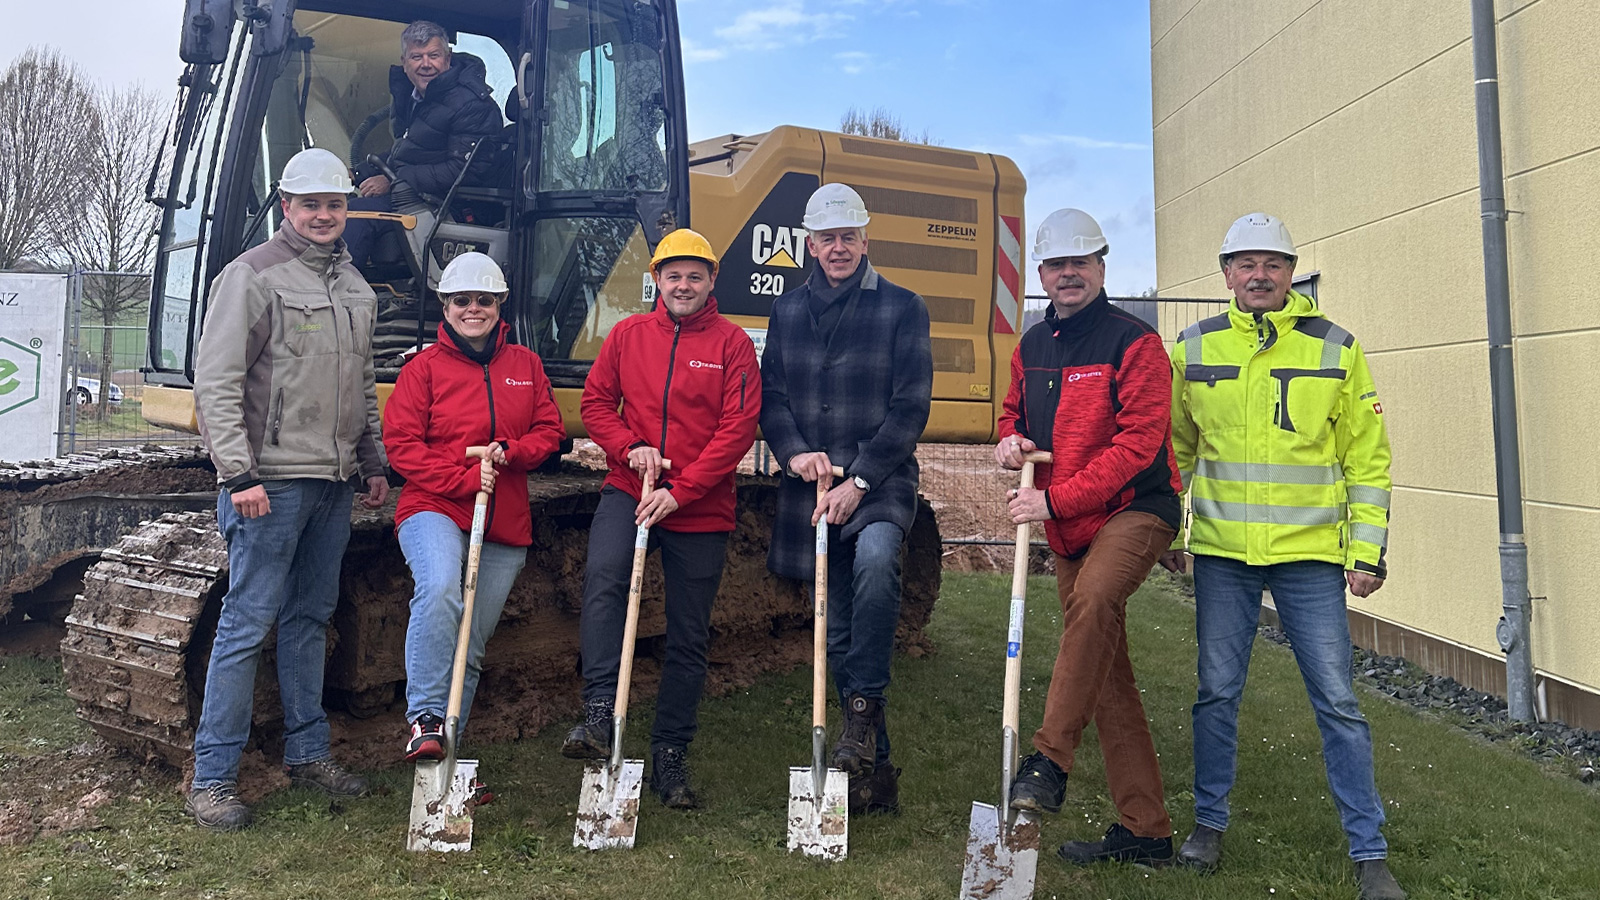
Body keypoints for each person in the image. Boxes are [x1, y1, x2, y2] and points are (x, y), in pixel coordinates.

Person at [1163, 213, 1403, 900]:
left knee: (1337, 699)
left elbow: (1368, 459)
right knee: (1215, 694)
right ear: (1226, 274)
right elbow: (1173, 451)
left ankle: (1371, 853)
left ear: (1292, 271)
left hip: (1310, 559)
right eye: (1246, 264)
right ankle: (1207, 828)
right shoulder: (1193, 347)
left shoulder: (1337, 348)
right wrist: (1174, 534)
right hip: (1222, 556)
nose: (1260, 275)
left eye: (1273, 263)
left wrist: (1368, 552)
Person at [188, 148, 389, 831]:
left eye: (334, 204)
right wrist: (237, 474)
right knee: (246, 625)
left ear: (345, 210)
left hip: (333, 484)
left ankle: (309, 755)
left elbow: (360, 386)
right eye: (311, 205)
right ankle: (212, 778)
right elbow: (215, 382)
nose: (324, 215)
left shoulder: (357, 288)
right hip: (268, 485)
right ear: (287, 208)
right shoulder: (251, 276)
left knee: (308, 621)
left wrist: (372, 461)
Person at [996, 208, 1183, 866]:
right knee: (1105, 675)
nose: (1068, 274)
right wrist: (1008, 439)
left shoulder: (1135, 344)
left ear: (1102, 268)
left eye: (1081, 262)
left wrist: (1053, 499)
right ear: (1042, 275)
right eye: (1056, 264)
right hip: (1068, 522)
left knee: (1096, 601)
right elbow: (1013, 413)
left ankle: (1047, 761)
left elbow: (1138, 448)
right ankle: (1147, 830)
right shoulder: (1032, 346)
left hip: (1137, 508)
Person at [561, 229, 760, 809]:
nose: (683, 285)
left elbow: (737, 430)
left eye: (694, 275)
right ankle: (599, 717)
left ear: (711, 281)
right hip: (630, 487)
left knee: (688, 634)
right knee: (603, 579)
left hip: (700, 505)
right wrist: (629, 447)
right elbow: (597, 403)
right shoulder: (627, 335)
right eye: (673, 275)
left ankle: (670, 758)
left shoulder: (732, 345)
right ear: (657, 279)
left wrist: (683, 491)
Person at [759, 183, 932, 816]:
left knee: (878, 562)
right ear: (810, 244)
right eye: (827, 238)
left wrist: (859, 479)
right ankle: (874, 764)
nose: (838, 248)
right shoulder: (787, 312)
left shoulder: (903, 307)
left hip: (878, 483)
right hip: (812, 489)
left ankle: (858, 717)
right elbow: (771, 398)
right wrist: (793, 452)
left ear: (865, 240)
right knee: (834, 635)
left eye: (848, 237)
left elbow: (911, 406)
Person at [382, 252, 565, 765]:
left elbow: (549, 431)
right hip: (433, 505)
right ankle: (425, 718)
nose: (473, 309)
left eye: (484, 300)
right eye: (461, 300)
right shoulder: (423, 370)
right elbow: (402, 445)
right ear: (445, 305)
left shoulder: (526, 366)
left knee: (473, 641)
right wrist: (464, 478)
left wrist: (512, 450)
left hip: (503, 517)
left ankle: (448, 750)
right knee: (441, 589)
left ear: (500, 303)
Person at [343, 20, 503, 268]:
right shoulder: (419, 99)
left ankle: (341, 295)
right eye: (417, 56)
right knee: (332, 207)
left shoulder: (472, 105)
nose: (426, 64)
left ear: (447, 59)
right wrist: (356, 173)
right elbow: (409, 152)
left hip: (451, 206)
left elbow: (467, 170)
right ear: (404, 62)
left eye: (434, 55)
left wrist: (394, 181)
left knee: (357, 214)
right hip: (417, 196)